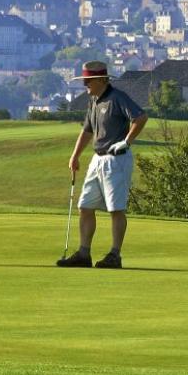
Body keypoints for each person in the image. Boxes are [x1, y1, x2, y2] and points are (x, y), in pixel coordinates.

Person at [57, 61, 147, 269]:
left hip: (116, 159)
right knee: (85, 206)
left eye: (88, 81)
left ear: (100, 80)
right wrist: (75, 155)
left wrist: (126, 141)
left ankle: (115, 255)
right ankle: (84, 253)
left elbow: (140, 117)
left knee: (116, 209)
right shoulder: (94, 101)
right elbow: (87, 131)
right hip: (97, 159)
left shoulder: (117, 98)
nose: (85, 85)